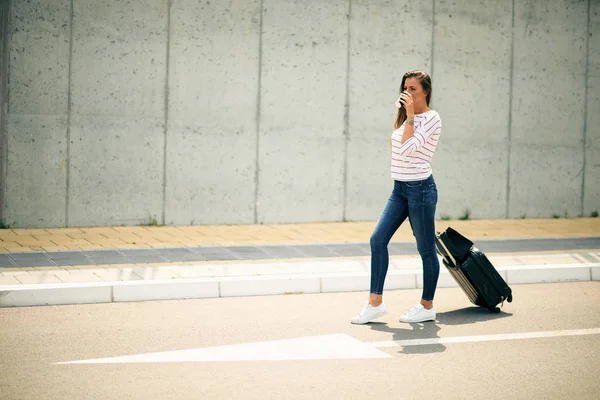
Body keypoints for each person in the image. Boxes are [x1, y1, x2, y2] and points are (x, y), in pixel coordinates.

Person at [351, 70, 442, 324]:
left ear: (425, 91)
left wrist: (411, 115)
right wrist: (407, 116)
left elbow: (408, 147)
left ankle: (426, 306)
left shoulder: (432, 118)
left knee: (425, 249)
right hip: (399, 189)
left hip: (421, 190)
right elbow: (399, 147)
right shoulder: (406, 119)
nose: (407, 93)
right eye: (405, 88)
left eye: (413, 89)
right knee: (377, 240)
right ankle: (375, 303)